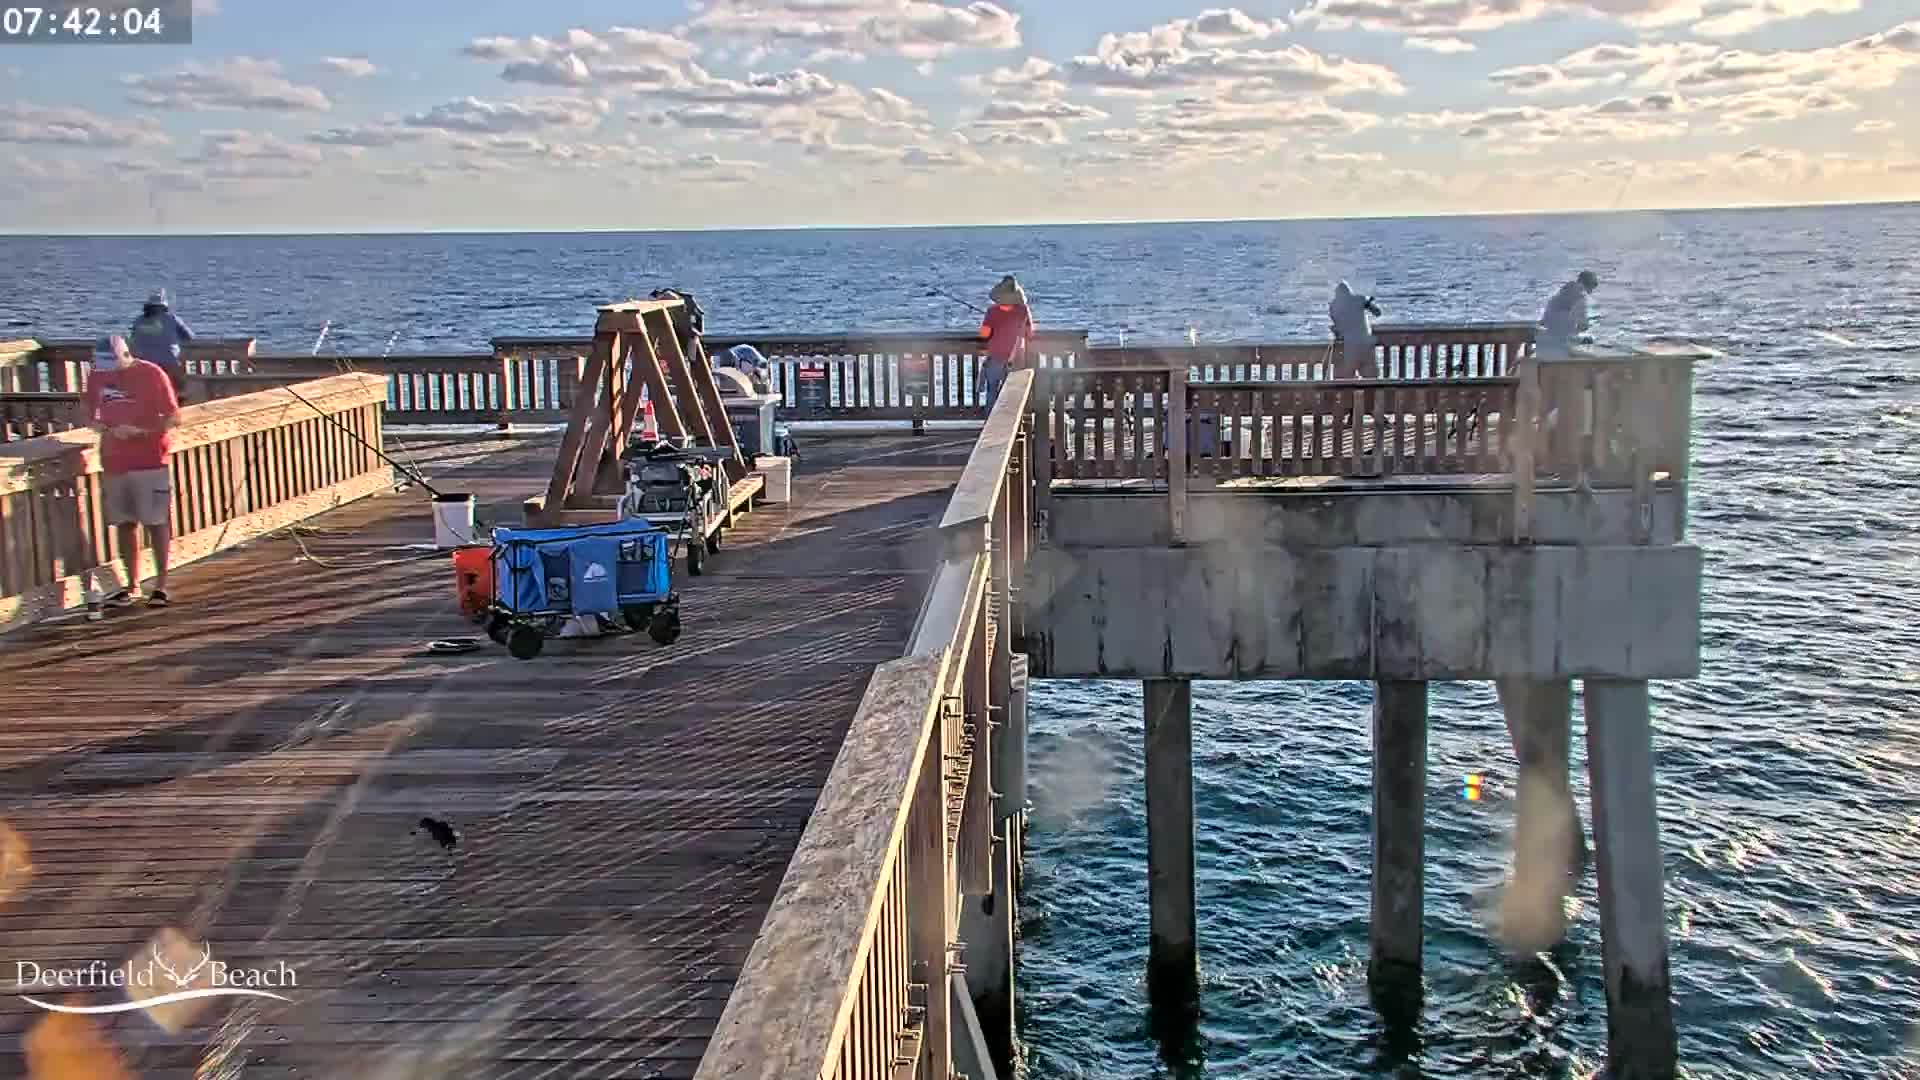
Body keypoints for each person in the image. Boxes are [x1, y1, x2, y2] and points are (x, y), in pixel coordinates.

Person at [84, 334, 180, 607]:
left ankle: (161, 585)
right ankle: (132, 585)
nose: (108, 372)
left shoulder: (152, 374)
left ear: (126, 355)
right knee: (125, 523)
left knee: (156, 522)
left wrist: (141, 431)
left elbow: (174, 417)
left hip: (150, 460)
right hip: (114, 462)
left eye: (113, 364)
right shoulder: (96, 377)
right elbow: (89, 411)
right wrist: (97, 425)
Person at [978, 275, 1033, 407]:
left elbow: (984, 334)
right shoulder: (1023, 310)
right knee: (1013, 393)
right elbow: (1029, 332)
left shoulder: (992, 311)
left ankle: (990, 421)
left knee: (992, 392)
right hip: (1016, 359)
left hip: (996, 356)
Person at [127, 290, 193, 394]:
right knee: (178, 385)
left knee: (146, 389)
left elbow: (132, 339)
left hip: (145, 363)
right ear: (164, 307)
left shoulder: (138, 321)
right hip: (169, 362)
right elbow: (189, 337)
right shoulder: (172, 318)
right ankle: (179, 399)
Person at [1538, 271, 1599, 358]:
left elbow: (1544, 321)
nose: (1592, 292)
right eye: (1593, 287)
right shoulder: (1581, 297)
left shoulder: (1562, 292)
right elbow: (1583, 326)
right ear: (1590, 285)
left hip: (1548, 336)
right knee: (1590, 343)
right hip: (1562, 342)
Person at [1328, 281, 1382, 379]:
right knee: (1372, 379)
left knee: (1347, 379)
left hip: (1349, 347)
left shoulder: (1333, 307)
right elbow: (1377, 312)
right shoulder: (1359, 299)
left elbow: (1337, 325)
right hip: (1366, 343)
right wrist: (1368, 303)